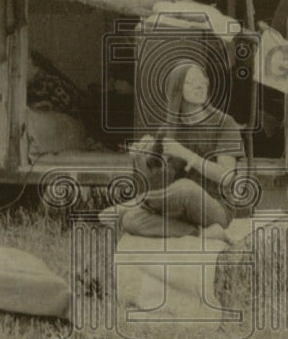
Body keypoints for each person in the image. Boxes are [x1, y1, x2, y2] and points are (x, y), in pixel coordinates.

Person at [102, 61, 244, 240]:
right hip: (178, 205)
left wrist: (186, 154)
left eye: (202, 80)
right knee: (131, 220)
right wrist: (140, 156)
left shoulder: (224, 123)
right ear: (177, 89)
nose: (199, 85)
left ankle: (136, 202)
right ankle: (201, 233)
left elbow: (227, 176)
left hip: (215, 208)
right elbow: (150, 176)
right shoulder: (169, 130)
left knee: (185, 188)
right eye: (190, 82)